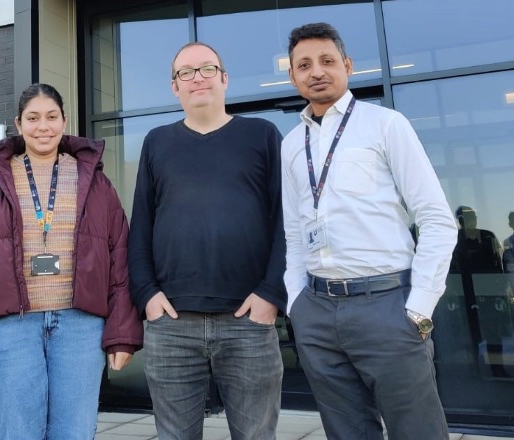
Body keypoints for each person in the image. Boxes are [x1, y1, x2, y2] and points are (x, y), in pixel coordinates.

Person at [281, 23, 457, 440]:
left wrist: (419, 309)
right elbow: (292, 232)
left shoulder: (385, 124)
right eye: (303, 65)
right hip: (318, 311)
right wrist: (296, 304)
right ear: (292, 76)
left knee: (418, 432)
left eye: (326, 61)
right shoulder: (290, 144)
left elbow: (436, 217)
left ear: (347, 65)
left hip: (387, 305)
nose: (316, 71)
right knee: (347, 433)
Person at [0, 83, 143, 439]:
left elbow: (120, 259)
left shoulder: (95, 180)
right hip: (10, 328)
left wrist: (122, 335)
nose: (43, 126)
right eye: (33, 118)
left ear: (64, 121)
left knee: (75, 433)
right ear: (19, 124)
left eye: (51, 117)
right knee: (18, 432)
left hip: (80, 326)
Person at [128, 42, 287, 440]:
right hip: (172, 325)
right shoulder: (156, 142)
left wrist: (271, 293)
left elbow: (288, 221)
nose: (197, 77)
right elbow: (141, 226)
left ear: (224, 78)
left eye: (207, 68)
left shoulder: (262, 135)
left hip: (248, 322)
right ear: (174, 87)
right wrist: (147, 295)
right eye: (186, 72)